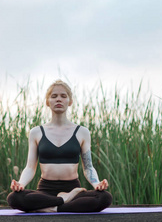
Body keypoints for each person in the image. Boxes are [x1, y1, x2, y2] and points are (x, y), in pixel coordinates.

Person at [7, 80, 112, 213]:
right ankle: (63, 201)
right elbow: (30, 167)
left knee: (104, 198)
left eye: (63, 96)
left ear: (70, 101)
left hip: (72, 187)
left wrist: (97, 184)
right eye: (54, 96)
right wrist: (21, 184)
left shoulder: (82, 132)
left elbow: (88, 167)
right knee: (14, 198)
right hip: (45, 190)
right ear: (47, 102)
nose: (59, 99)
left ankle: (47, 207)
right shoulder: (36, 132)